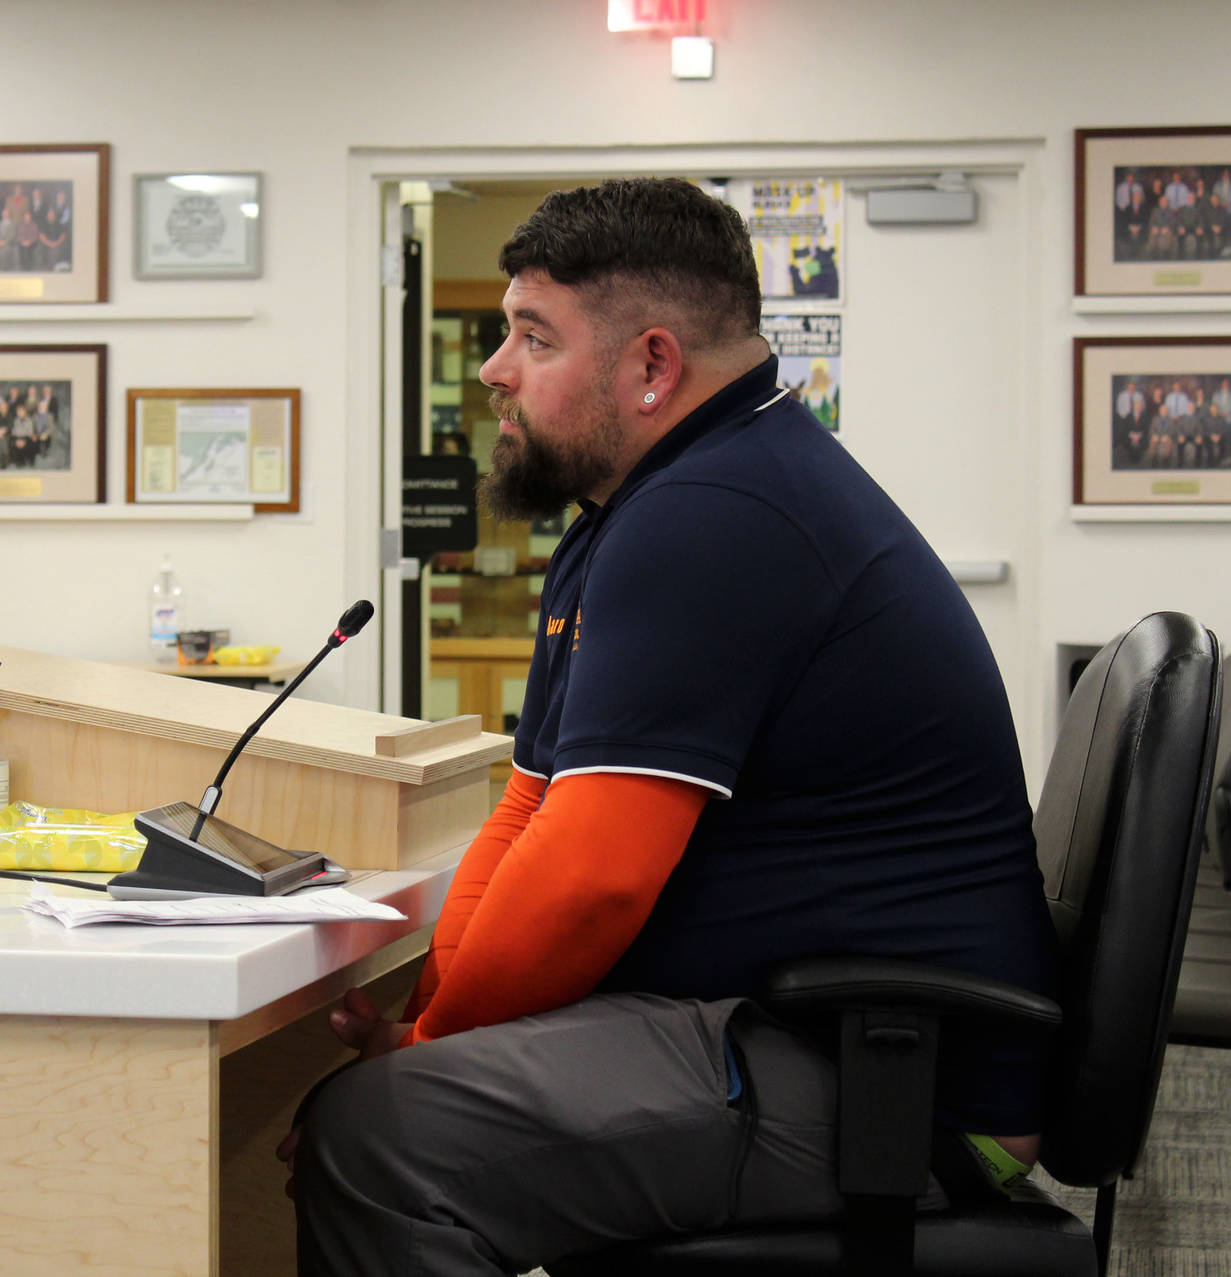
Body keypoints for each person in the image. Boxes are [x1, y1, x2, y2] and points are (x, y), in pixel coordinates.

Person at [286, 178, 1056, 1277]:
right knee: (393, 1101)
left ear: (650, 365)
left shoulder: (715, 516)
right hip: (806, 1040)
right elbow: (528, 813)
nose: (495, 371)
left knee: (380, 1140)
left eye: (531, 338)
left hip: (898, 1083)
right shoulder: (645, 511)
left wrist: (423, 1057)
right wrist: (434, 1020)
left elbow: (591, 879)